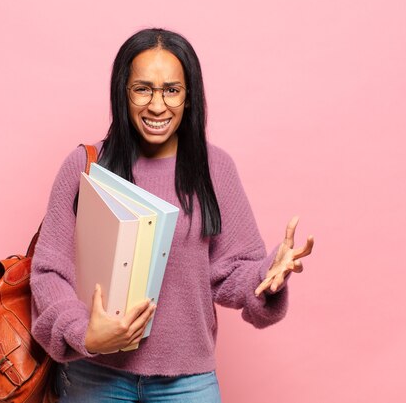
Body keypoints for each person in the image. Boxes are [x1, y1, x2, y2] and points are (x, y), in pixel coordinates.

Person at [30, 28, 314, 403]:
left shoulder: (216, 169)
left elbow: (229, 273)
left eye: (172, 90)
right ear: (123, 92)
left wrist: (266, 276)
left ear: (189, 97)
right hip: (93, 375)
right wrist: (84, 332)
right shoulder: (85, 166)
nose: (158, 106)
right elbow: (50, 271)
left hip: (188, 382)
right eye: (142, 89)